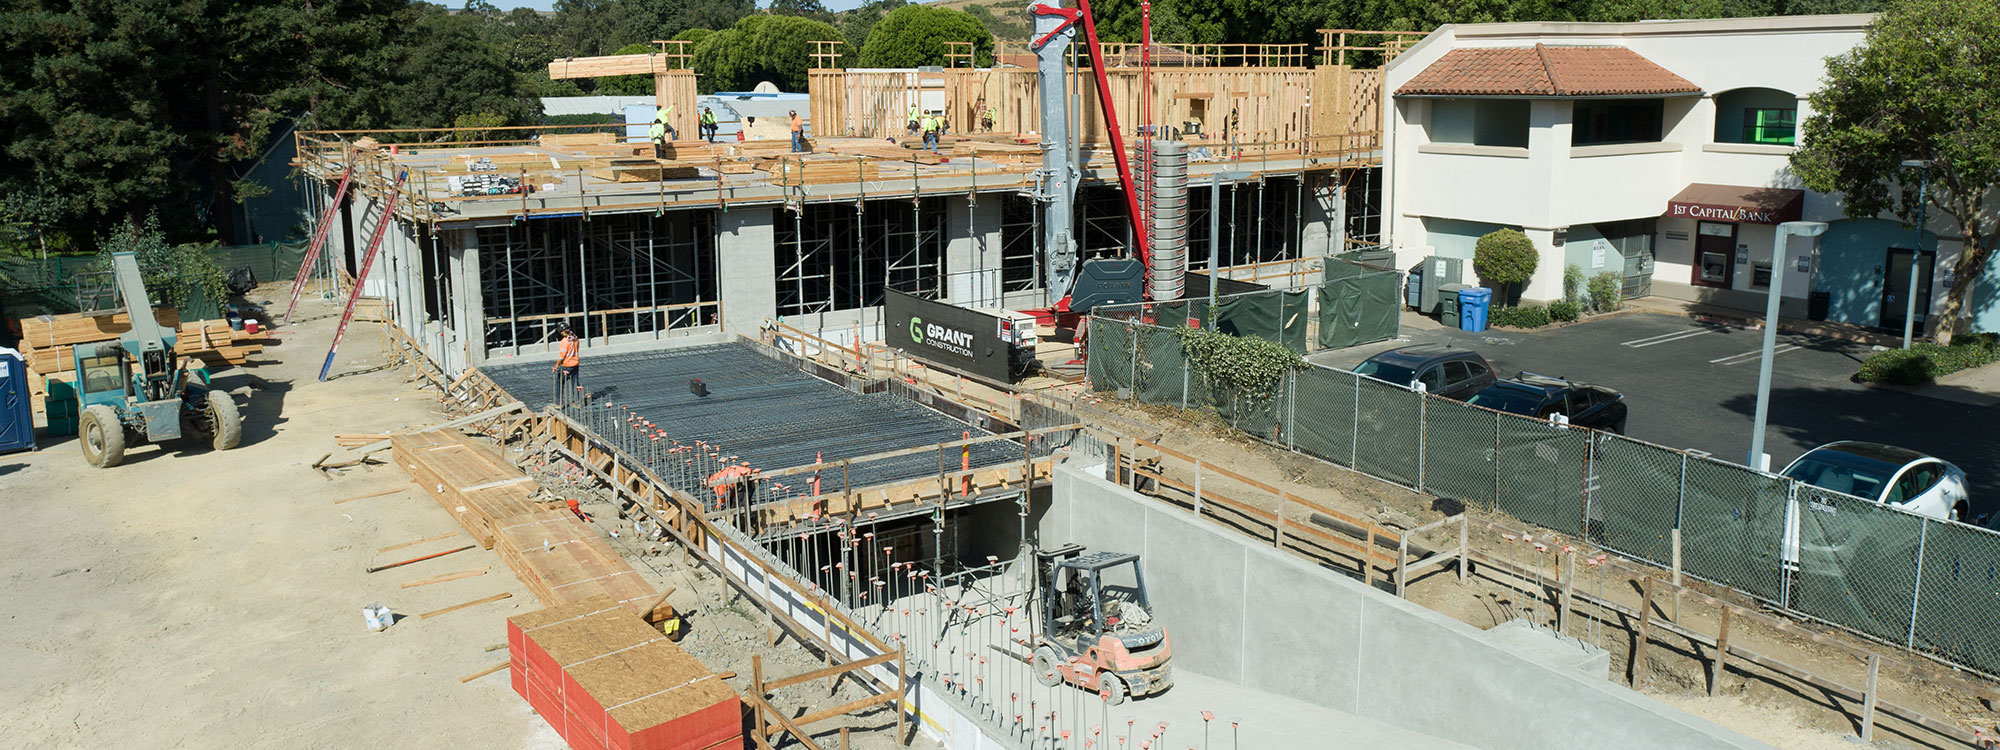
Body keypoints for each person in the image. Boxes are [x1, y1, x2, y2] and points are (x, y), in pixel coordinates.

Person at [552, 328, 580, 404]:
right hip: (575, 365)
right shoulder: (575, 339)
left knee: (559, 382)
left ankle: (559, 403)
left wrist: (556, 365)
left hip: (567, 365)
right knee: (575, 383)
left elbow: (562, 356)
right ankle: (577, 402)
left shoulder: (565, 341)